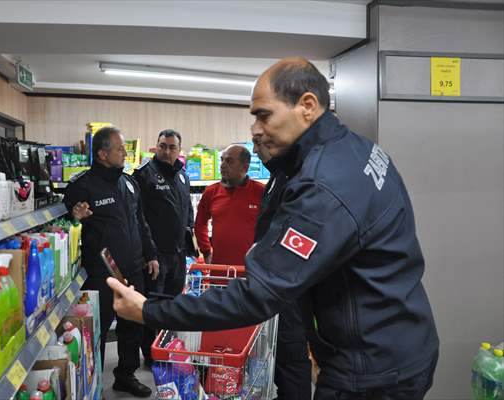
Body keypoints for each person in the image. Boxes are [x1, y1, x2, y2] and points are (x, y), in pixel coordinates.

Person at [107, 58, 439, 399]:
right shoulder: (355, 149)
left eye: (263, 115)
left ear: (307, 106)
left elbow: (259, 294)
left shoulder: (325, 185)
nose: (255, 129)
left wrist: (150, 309)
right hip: (396, 340)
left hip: (373, 368)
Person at [63, 126, 159, 397]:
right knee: (99, 331)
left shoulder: (129, 182)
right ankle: (94, 386)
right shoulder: (81, 185)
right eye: (119, 149)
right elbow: (67, 224)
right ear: (103, 153)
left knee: (133, 325)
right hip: (100, 273)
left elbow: (141, 222)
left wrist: (150, 254)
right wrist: (75, 216)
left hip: (133, 269)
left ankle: (125, 376)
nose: (124, 153)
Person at [253, 134, 312, 400]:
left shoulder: (297, 178)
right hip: (272, 282)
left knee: (291, 353)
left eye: (260, 144)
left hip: (287, 285)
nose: (256, 150)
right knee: (276, 350)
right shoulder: (277, 175)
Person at [132, 128, 194, 367]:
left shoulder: (182, 175)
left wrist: (189, 240)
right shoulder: (144, 175)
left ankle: (168, 348)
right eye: (162, 146)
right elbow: (139, 219)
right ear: (155, 147)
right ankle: (151, 355)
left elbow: (187, 209)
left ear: (179, 151)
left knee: (173, 304)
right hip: (156, 257)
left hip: (178, 255)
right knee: (153, 307)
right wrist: (150, 254)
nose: (166, 151)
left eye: (172, 147)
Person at [194, 144, 265, 265]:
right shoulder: (211, 192)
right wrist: (206, 251)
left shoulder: (261, 191)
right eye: (222, 160)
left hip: (252, 270)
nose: (222, 165)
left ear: (245, 167)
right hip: (218, 270)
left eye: (229, 161)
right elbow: (200, 224)